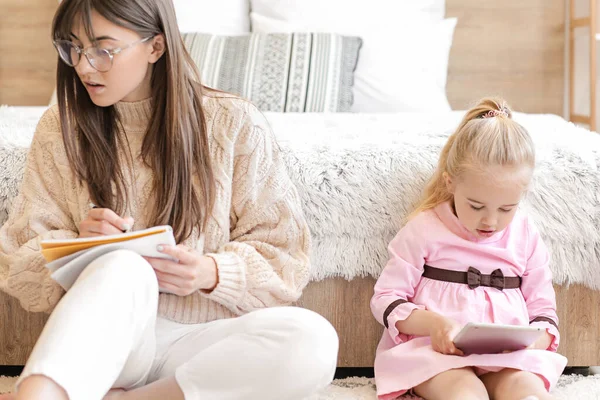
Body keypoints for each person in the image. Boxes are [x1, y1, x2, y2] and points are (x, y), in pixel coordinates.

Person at [0, 1, 338, 399]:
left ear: (156, 47)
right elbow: (17, 260)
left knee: (312, 339)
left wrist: (212, 272)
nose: (84, 66)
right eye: (72, 47)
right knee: (124, 266)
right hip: (109, 340)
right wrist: (79, 243)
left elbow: (287, 260)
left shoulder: (232, 122)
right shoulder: (62, 126)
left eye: (103, 49)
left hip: (202, 345)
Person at [370, 98, 567, 400]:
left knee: (528, 392)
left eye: (507, 208)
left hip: (507, 359)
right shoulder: (424, 229)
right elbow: (386, 298)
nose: (490, 221)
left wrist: (531, 342)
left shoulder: (526, 235)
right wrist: (434, 324)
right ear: (450, 183)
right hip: (436, 356)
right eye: (476, 206)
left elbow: (543, 312)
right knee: (465, 393)